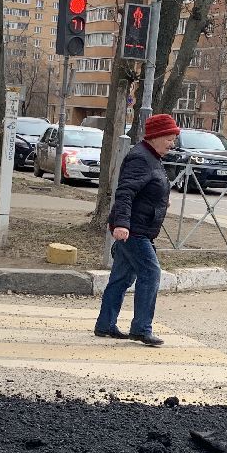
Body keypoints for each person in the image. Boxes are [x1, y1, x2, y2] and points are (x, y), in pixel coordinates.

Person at [95, 113, 179, 347]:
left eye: (173, 139)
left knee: (121, 278)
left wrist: (161, 200)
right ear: (155, 136)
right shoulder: (141, 158)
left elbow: (147, 188)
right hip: (134, 229)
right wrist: (121, 223)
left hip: (138, 227)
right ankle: (141, 329)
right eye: (169, 139)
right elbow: (125, 192)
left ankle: (105, 325)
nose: (172, 144)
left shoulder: (151, 157)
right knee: (151, 273)